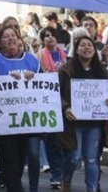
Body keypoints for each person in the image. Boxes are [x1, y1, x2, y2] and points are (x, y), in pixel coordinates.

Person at [0, 23, 40, 192]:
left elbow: (44, 87)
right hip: (4, 122)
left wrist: (32, 78)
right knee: (10, 159)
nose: (11, 38)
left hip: (26, 120)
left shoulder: (31, 60)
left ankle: (12, 185)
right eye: (6, 36)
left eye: (13, 35)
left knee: (20, 160)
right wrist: (7, 82)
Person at [58, 36, 108, 192]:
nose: (87, 48)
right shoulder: (65, 69)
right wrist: (66, 108)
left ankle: (92, 188)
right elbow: (56, 93)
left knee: (92, 158)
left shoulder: (101, 70)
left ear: (95, 51)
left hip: (95, 124)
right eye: (83, 45)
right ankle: (66, 180)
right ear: (77, 49)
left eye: (90, 45)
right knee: (74, 158)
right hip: (73, 123)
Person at [38, 26, 66, 189]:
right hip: (49, 101)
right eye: (46, 36)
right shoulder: (39, 56)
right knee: (53, 140)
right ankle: (56, 175)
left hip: (64, 100)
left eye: (52, 35)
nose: (50, 37)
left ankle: (63, 173)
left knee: (63, 140)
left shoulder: (65, 55)